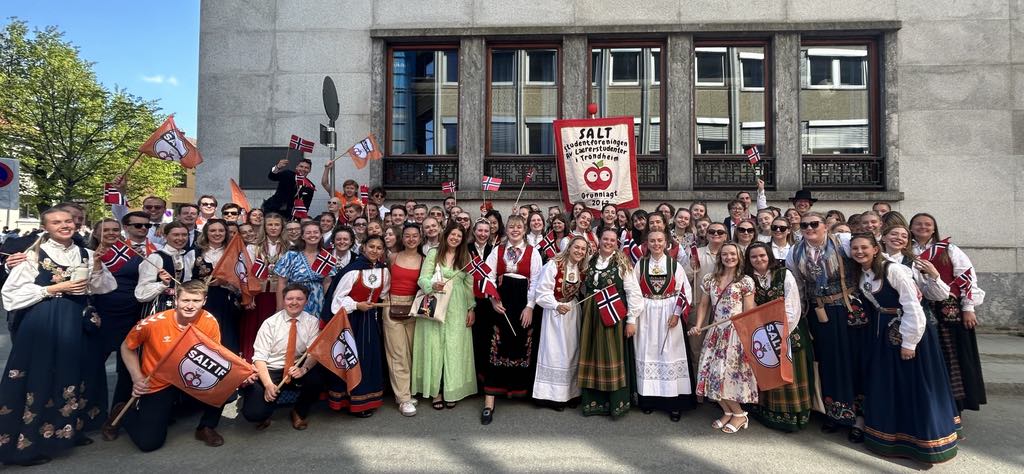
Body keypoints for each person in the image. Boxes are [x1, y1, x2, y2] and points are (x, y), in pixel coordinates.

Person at [0, 208, 115, 466]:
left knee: (73, 372)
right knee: (40, 374)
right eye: (56, 222)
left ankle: (67, 431)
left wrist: (97, 267)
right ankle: (25, 446)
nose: (64, 225)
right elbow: (10, 295)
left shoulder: (86, 253)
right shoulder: (33, 254)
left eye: (68, 221)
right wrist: (53, 288)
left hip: (75, 319)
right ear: (46, 227)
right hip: (44, 319)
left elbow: (104, 287)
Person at [848, 234, 960, 463]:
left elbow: (913, 306)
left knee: (912, 384)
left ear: (875, 249)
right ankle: (890, 437)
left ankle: (923, 442)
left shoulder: (894, 271)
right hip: (883, 332)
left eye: (864, 247)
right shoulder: (863, 272)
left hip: (907, 331)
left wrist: (909, 342)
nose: (859, 252)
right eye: (855, 248)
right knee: (891, 383)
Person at [120, 281, 255, 451]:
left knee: (224, 383)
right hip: (160, 380)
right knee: (149, 444)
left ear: (204, 301)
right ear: (176, 300)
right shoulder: (153, 323)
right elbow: (126, 347)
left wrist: (242, 372)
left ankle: (206, 427)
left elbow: (214, 356)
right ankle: (123, 412)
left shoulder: (209, 321)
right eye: (185, 300)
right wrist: (137, 377)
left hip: (189, 374)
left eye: (196, 301)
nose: (190, 306)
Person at [785, 212, 863, 439]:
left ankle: (860, 417)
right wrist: (799, 314)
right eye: (804, 225)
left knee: (852, 359)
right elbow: (797, 285)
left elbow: (868, 263)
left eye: (814, 224)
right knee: (827, 361)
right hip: (818, 312)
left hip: (847, 309)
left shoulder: (844, 242)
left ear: (825, 226)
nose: (809, 228)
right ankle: (834, 412)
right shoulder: (795, 251)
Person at [910, 213, 986, 415]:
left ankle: (954, 404)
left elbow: (967, 277)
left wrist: (968, 308)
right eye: (918, 224)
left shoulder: (949, 249)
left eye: (928, 224)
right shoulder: (906, 249)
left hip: (948, 309)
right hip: (918, 306)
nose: (923, 227)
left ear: (934, 228)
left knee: (951, 354)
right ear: (911, 227)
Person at [688, 242, 757, 434]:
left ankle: (740, 414)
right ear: (720, 257)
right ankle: (728, 412)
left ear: (739, 257)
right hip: (715, 332)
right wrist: (698, 325)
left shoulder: (745, 281)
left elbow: (749, 311)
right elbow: (704, 305)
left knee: (727, 376)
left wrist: (746, 335)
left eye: (733, 254)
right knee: (710, 374)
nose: (729, 257)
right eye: (725, 254)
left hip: (735, 334)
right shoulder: (710, 279)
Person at [480, 216, 542, 424]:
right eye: (511, 227)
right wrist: (493, 299)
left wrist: (530, 307)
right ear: (506, 230)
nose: (515, 230)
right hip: (501, 303)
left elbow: (536, 281)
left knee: (521, 344)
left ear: (524, 230)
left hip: (523, 303)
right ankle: (489, 400)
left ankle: (518, 390)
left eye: (519, 227)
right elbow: (488, 276)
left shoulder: (533, 252)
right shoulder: (497, 250)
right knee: (496, 346)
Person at [744, 242, 811, 432]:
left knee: (789, 370)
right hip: (762, 333)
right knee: (768, 370)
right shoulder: (748, 279)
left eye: (762, 255)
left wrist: (782, 332)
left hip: (788, 329)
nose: (759, 259)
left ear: (769, 256)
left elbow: (792, 305)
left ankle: (793, 416)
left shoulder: (784, 274)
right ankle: (768, 412)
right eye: (754, 257)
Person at [578, 228, 644, 418]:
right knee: (591, 353)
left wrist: (631, 320)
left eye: (612, 240)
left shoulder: (622, 262)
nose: (608, 242)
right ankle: (593, 401)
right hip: (591, 315)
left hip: (612, 314)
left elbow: (633, 292)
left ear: (617, 243)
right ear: (599, 240)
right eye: (605, 239)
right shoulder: (590, 260)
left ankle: (615, 402)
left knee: (611, 354)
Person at [92, 216, 148, 441]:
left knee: (127, 370)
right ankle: (87, 415)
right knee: (92, 366)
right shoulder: (87, 253)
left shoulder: (134, 252)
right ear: (96, 233)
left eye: (115, 229)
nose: (111, 233)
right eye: (106, 230)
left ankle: (116, 417)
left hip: (130, 314)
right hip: (100, 315)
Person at [412, 224, 478, 412]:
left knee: (453, 348)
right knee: (435, 347)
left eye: (459, 235)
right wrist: (432, 285)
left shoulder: (465, 256)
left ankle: (452, 390)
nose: (455, 238)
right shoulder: (434, 253)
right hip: (436, 302)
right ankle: (436, 392)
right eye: (452, 234)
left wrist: (471, 308)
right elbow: (422, 278)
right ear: (446, 235)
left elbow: (469, 284)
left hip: (457, 305)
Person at [243, 284, 325, 431]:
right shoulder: (270, 323)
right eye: (290, 299)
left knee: (318, 378)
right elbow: (259, 358)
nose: (294, 302)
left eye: (299, 299)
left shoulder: (312, 322)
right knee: (254, 414)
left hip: (296, 366)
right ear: (283, 300)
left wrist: (304, 369)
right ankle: (266, 412)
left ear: (306, 301)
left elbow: (313, 353)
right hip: (272, 368)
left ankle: (299, 412)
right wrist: (268, 385)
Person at [633, 230, 696, 422]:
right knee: (648, 353)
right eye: (652, 241)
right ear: (647, 243)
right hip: (647, 313)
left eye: (660, 240)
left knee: (669, 354)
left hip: (669, 312)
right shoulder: (640, 264)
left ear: (666, 243)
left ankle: (673, 403)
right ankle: (649, 399)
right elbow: (634, 290)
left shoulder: (674, 264)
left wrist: (676, 314)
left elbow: (684, 291)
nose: (656, 244)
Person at [327, 235, 390, 416]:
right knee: (351, 358)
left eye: (379, 248)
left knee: (368, 359)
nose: (375, 250)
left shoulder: (384, 271)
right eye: (371, 246)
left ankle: (365, 400)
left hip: (370, 320)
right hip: (351, 320)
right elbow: (336, 301)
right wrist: (356, 305)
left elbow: (383, 294)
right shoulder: (352, 271)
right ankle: (349, 401)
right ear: (363, 247)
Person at [532, 236, 589, 410]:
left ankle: (570, 394)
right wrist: (556, 305)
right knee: (554, 352)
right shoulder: (553, 265)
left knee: (571, 351)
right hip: (554, 314)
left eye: (583, 249)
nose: (579, 251)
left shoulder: (581, 267)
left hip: (572, 312)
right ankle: (552, 396)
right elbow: (541, 292)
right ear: (569, 248)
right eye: (576, 247)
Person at [384, 224, 424, 417]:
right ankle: (403, 398)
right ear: (403, 238)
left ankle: (408, 390)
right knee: (397, 353)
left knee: (412, 353)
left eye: (415, 236)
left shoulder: (424, 260)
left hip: (414, 309)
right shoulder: (392, 257)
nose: (411, 239)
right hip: (392, 306)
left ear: (420, 238)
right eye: (407, 236)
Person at [191, 219, 242, 353]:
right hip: (203, 303)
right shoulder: (195, 253)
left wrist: (226, 282)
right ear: (206, 233)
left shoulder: (234, 253)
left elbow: (242, 281)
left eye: (221, 230)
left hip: (227, 303)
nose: (217, 234)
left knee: (226, 340)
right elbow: (187, 280)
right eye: (213, 230)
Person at [242, 212, 287, 362]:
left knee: (276, 329)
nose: (273, 228)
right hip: (258, 295)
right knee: (255, 329)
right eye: (270, 225)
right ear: (264, 227)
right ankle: (251, 362)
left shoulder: (289, 247)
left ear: (282, 227)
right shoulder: (253, 247)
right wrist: (249, 297)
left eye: (277, 225)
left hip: (279, 295)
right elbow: (247, 274)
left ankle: (272, 362)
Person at [274, 221, 338, 317]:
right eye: (308, 232)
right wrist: (279, 308)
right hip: (295, 302)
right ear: (302, 236)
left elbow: (327, 283)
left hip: (318, 305)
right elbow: (282, 283)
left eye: (316, 232)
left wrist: (328, 309)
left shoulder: (326, 257)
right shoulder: (291, 256)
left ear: (321, 235)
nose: (312, 235)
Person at [135, 221, 195, 315]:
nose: (180, 238)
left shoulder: (187, 257)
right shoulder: (155, 258)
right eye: (176, 235)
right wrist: (163, 284)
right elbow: (141, 293)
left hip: (182, 308)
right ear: (165, 236)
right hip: (158, 307)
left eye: (184, 235)